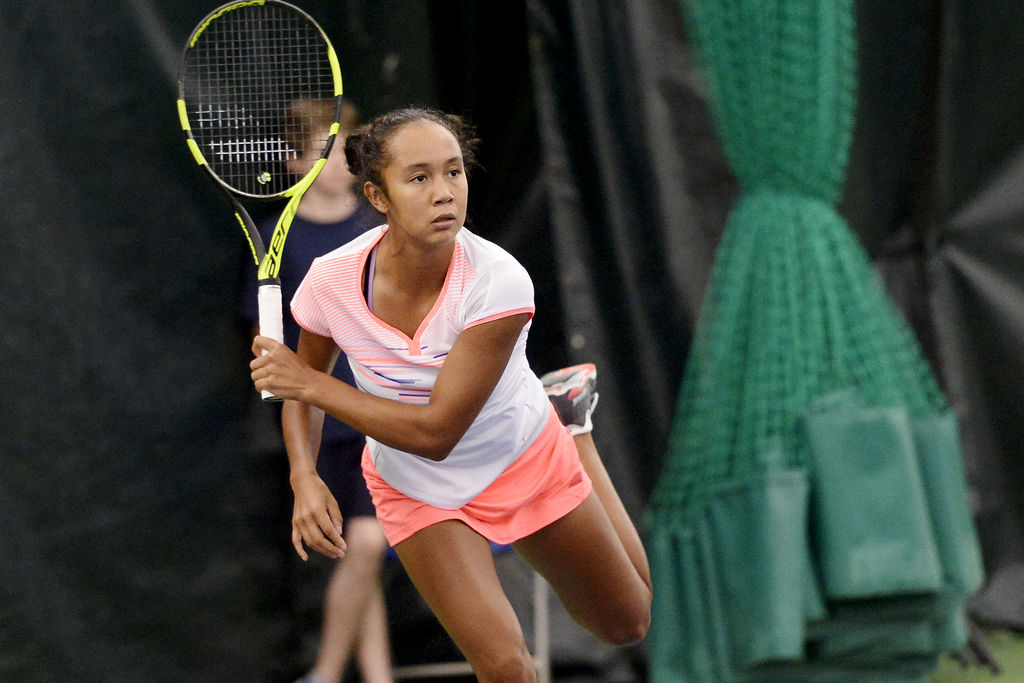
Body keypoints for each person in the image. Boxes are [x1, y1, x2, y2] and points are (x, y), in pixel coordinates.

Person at [250, 107, 652, 682]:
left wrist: (308, 382)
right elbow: (301, 394)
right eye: (418, 178)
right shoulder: (331, 279)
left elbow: (435, 432)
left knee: (625, 625)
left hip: (519, 457)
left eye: (453, 172)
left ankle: (574, 433)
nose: (444, 193)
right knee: (504, 666)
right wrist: (303, 477)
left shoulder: (499, 280)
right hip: (415, 487)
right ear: (378, 196)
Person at [241, 99, 393, 683]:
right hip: (319, 424)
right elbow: (266, 336)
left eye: (343, 144)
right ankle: (378, 676)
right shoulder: (277, 237)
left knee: (368, 545)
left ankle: (326, 674)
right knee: (355, 551)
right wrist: (275, 366)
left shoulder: (378, 229)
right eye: (321, 147)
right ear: (291, 157)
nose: (336, 161)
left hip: (385, 416)